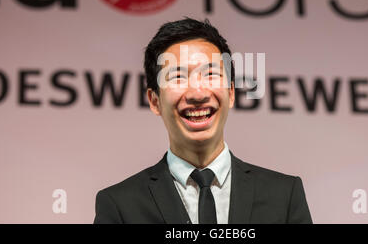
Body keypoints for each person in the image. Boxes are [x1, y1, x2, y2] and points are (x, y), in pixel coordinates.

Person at [93, 18, 312, 224]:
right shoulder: (120, 205)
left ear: (231, 93)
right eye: (178, 77)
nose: (197, 94)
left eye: (210, 75)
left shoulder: (284, 196)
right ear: (154, 101)